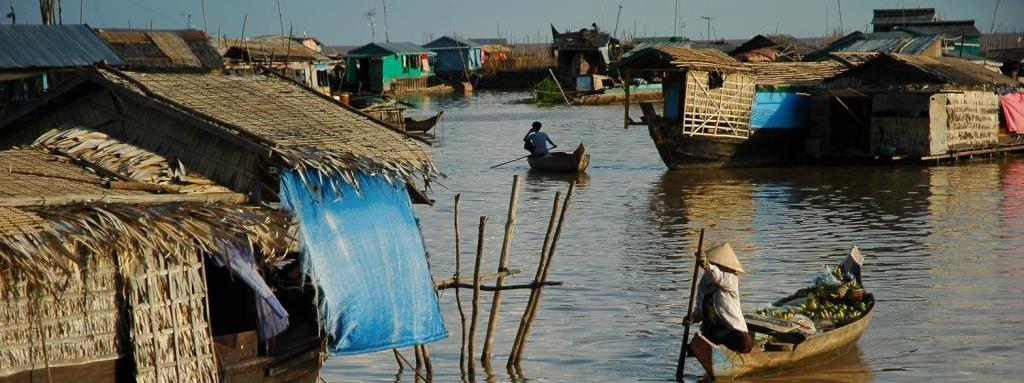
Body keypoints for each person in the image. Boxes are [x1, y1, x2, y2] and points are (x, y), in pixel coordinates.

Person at [685, 243, 754, 353]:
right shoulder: (705, 283)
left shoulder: (731, 279)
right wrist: (692, 318)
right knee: (691, 348)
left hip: (731, 330)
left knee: (744, 343)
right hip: (713, 332)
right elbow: (700, 310)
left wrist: (707, 265)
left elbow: (718, 276)